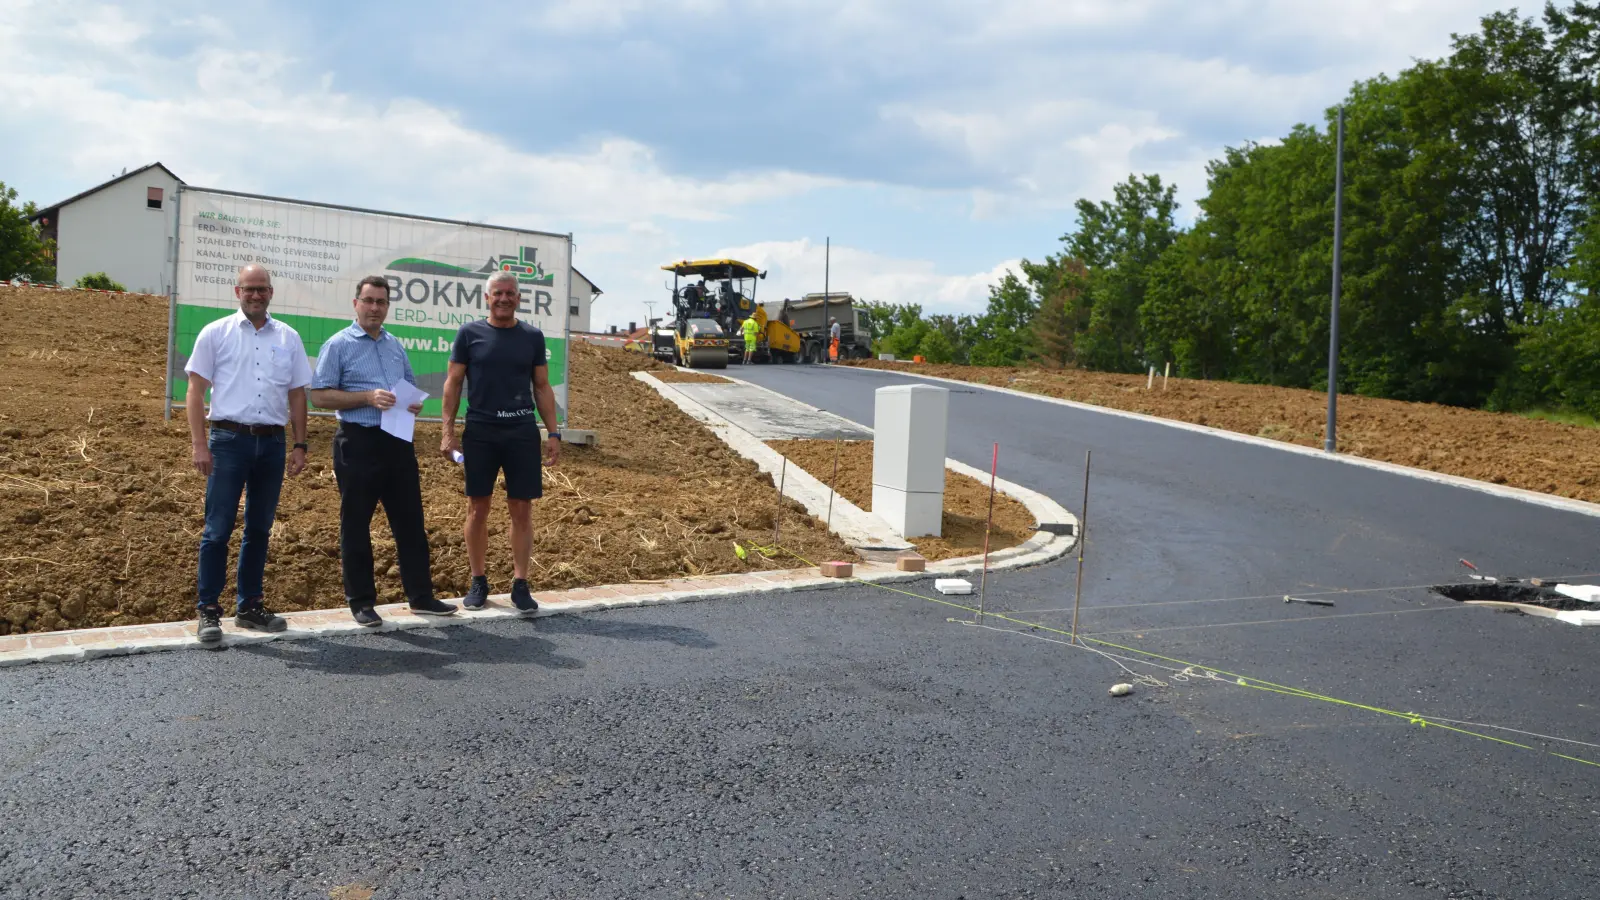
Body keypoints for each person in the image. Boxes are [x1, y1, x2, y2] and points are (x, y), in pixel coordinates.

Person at [309, 275, 459, 626]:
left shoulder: (394, 345)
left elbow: (407, 385)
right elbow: (319, 395)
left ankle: (420, 596)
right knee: (356, 523)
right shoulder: (339, 344)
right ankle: (361, 602)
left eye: (381, 302)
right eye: (369, 300)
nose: (375, 308)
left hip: (397, 441)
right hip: (358, 441)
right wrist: (366, 397)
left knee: (410, 522)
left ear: (388, 307)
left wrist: (412, 403)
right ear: (356, 304)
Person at [184, 264, 312, 644]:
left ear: (271, 293)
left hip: (272, 444)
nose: (256, 295)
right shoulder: (215, 333)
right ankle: (208, 610)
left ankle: (249, 606)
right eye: (250, 289)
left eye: (263, 289)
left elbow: (297, 395)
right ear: (236, 291)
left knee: (258, 529)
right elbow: (195, 391)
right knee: (217, 529)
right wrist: (199, 444)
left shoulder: (288, 337)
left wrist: (300, 444)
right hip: (228, 442)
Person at [440, 271, 562, 615]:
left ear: (518, 298)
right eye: (498, 293)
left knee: (521, 510)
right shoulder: (469, 334)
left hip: (521, 432)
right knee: (477, 509)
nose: (504, 299)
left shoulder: (533, 337)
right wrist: (447, 432)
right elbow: (453, 383)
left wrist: (552, 433)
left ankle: (521, 584)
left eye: (510, 293)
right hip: (480, 432)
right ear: (487, 298)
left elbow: (541, 386)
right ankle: (478, 581)